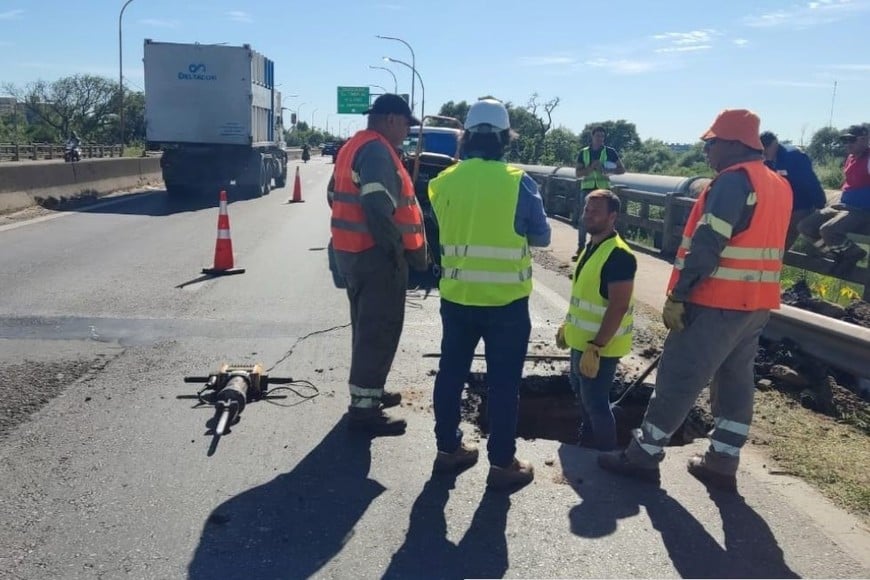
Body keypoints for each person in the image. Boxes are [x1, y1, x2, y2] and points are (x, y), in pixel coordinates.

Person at [598, 109, 792, 492]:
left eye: (711, 142)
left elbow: (707, 245)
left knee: (679, 375)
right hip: (756, 304)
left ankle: (644, 454)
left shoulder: (734, 182)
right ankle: (722, 460)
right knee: (735, 379)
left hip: (716, 301)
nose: (706, 150)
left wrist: (680, 294)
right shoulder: (776, 184)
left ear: (734, 143)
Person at [427, 98, 551, 490]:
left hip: (457, 298)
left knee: (451, 374)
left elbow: (441, 229)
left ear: (466, 137)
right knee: (504, 383)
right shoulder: (520, 182)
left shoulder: (442, 182)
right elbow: (542, 237)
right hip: (506, 304)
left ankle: (448, 450)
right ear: (503, 139)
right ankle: (502, 463)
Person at [328, 94, 429, 436]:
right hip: (375, 256)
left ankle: (369, 393)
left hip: (352, 252)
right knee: (378, 330)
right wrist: (393, 250)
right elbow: (375, 205)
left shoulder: (355, 145)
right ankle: (364, 411)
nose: (407, 131)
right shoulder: (376, 151)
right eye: (405, 124)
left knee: (367, 327)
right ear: (389, 119)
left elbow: (333, 195)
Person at [555, 189, 636, 452]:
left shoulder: (619, 255)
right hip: (582, 341)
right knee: (581, 394)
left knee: (596, 403)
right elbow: (585, 295)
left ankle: (605, 452)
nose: (588, 216)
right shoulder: (591, 246)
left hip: (600, 346)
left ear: (613, 217)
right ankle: (587, 440)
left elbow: (619, 305)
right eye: (586, 210)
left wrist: (597, 346)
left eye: (595, 212)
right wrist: (569, 325)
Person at [796, 124, 870, 273]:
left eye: (852, 140)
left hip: (861, 210)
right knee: (805, 226)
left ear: (865, 140)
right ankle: (836, 254)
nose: (847, 144)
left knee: (828, 230)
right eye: (845, 140)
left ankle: (854, 253)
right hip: (842, 205)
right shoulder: (850, 158)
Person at [760, 131, 826, 250]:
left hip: (801, 204)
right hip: (782, 204)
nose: (763, 153)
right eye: (761, 150)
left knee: (788, 232)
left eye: (765, 149)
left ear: (774, 144)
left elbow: (810, 181)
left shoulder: (794, 156)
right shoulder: (767, 161)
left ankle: (778, 257)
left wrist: (820, 204)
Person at [573, 127, 625, 260]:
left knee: (605, 219)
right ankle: (581, 249)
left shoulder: (610, 152)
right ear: (592, 137)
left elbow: (622, 169)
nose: (600, 139)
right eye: (598, 136)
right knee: (584, 219)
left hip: (604, 190)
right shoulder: (583, 152)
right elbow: (578, 174)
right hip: (587, 190)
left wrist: (606, 170)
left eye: (602, 136)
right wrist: (591, 168)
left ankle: (602, 248)